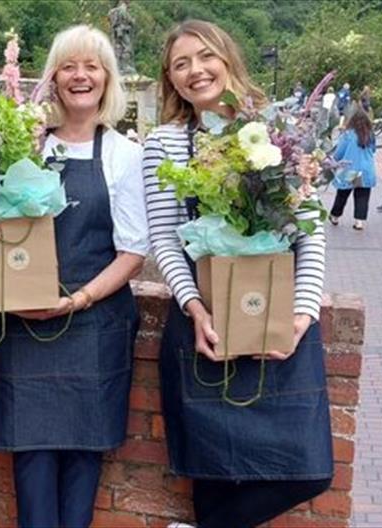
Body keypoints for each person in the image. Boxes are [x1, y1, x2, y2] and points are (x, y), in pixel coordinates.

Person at [142, 20, 332, 528]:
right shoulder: (164, 143)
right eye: (180, 64)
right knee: (214, 470)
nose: (194, 71)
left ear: (227, 60)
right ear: (170, 79)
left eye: (204, 57)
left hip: (280, 325)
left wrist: (303, 312)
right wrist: (195, 307)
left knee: (309, 472)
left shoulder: (279, 133)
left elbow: (308, 230)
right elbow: (164, 239)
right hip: (207, 327)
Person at [0, 25, 149, 528]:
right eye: (69, 65)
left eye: (92, 66)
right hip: (25, 320)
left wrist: (78, 300)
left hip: (93, 325)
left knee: (83, 451)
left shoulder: (124, 155)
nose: (80, 76)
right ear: (52, 77)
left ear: (107, 78)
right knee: (30, 450)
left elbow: (133, 252)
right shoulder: (24, 145)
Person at [328, 111, 377, 230]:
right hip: (366, 169)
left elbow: (339, 152)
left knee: (343, 194)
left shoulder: (348, 134)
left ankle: (335, 216)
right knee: (362, 195)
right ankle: (359, 221)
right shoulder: (370, 134)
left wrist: (333, 160)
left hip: (351, 168)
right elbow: (374, 150)